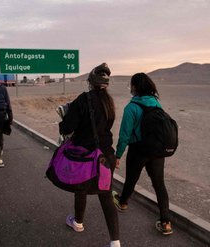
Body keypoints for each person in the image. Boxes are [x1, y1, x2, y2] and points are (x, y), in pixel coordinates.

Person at [59, 63, 121, 247]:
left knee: (81, 188)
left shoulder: (83, 100)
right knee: (106, 196)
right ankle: (115, 242)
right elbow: (106, 127)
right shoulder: (109, 103)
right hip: (105, 155)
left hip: (85, 156)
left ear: (90, 82)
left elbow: (67, 128)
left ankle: (78, 223)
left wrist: (66, 116)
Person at [113, 72, 173, 235]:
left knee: (131, 179)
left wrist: (118, 155)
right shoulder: (156, 103)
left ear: (135, 87)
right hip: (157, 151)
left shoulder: (131, 107)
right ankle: (166, 222)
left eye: (131, 85)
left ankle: (123, 202)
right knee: (159, 185)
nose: (130, 88)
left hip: (138, 150)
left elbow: (125, 135)